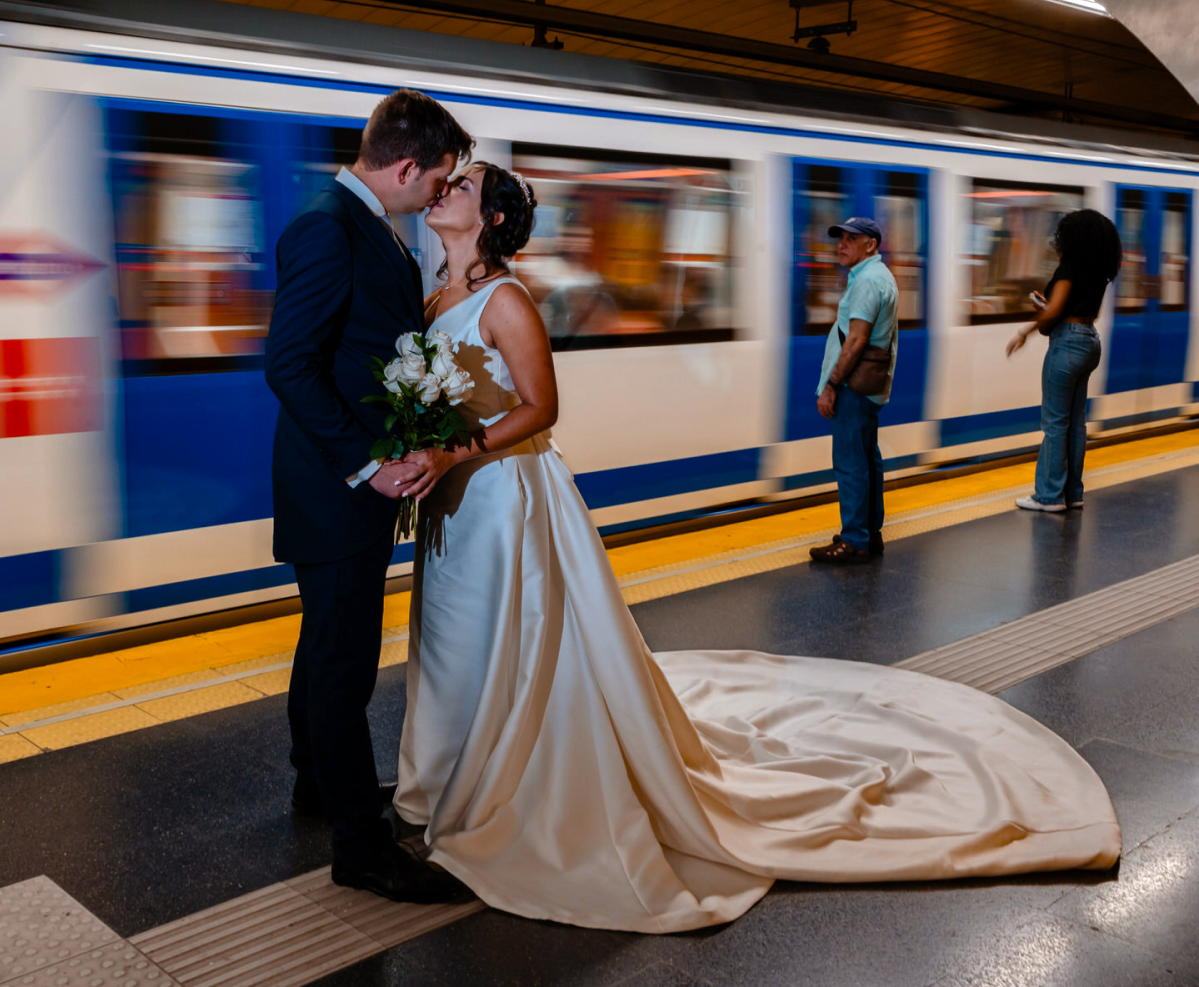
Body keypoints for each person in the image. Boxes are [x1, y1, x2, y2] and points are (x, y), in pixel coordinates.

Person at [390, 162, 1119, 933]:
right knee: (456, 640)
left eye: (462, 186)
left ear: (494, 220)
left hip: (507, 502)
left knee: (515, 640)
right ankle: (452, 771)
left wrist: (451, 449)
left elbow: (542, 407)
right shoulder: (440, 294)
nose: (445, 192)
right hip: (458, 506)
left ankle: (502, 780)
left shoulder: (506, 301)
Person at [263, 89, 472, 904]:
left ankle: (318, 780)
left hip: (342, 486)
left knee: (326, 642)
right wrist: (368, 463)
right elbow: (290, 364)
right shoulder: (328, 225)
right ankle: (361, 846)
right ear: (406, 166)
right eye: (437, 179)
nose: (437, 195)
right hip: (336, 486)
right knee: (346, 661)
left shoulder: (363, 222)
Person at [1006, 209, 1121, 513]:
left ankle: (1049, 496)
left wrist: (1039, 323)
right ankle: (1073, 493)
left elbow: (1054, 314)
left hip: (1067, 344)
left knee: (1055, 422)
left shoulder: (1070, 267)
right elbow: (1068, 307)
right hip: (1088, 340)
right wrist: (1029, 329)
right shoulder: (1099, 269)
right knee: (1076, 422)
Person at [808, 217, 898, 566]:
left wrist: (831, 385)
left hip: (853, 386)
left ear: (870, 245)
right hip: (869, 385)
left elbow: (857, 339)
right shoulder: (881, 276)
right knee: (867, 458)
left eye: (851, 238)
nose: (841, 244)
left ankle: (854, 540)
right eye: (840, 238)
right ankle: (869, 533)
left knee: (850, 462)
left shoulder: (867, 282)